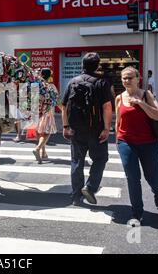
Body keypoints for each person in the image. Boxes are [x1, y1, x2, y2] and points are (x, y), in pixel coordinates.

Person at [61, 52, 113, 206]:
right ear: (97, 66)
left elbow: (64, 106)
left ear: (82, 65)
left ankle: (76, 196)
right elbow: (107, 107)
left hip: (76, 129)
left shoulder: (73, 82)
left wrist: (65, 126)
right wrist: (106, 128)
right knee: (100, 158)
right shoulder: (102, 82)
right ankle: (90, 187)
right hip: (96, 129)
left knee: (77, 161)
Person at [115, 67, 158, 224]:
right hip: (126, 142)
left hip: (148, 143)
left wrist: (140, 103)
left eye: (130, 77)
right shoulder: (119, 98)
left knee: (152, 176)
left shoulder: (146, 94)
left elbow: (157, 115)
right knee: (133, 177)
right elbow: (117, 121)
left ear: (138, 79)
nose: (127, 81)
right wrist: (117, 139)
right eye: (124, 78)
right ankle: (137, 211)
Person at [33, 69, 58, 164]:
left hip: (37, 111)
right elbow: (57, 99)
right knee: (47, 132)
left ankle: (43, 152)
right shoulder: (51, 86)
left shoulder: (36, 85)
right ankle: (38, 148)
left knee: (40, 131)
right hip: (48, 112)